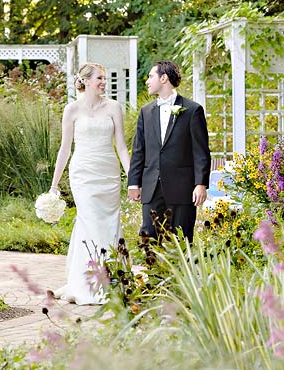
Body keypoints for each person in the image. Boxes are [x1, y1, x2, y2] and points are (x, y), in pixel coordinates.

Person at [48, 62, 131, 305]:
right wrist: (54, 185)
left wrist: (131, 177)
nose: (104, 82)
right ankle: (87, 283)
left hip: (108, 174)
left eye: (105, 78)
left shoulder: (114, 108)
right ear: (85, 81)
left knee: (109, 223)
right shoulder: (71, 110)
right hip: (83, 174)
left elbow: (122, 147)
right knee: (89, 221)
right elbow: (65, 149)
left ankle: (112, 280)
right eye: (99, 78)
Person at [127, 60, 211, 243]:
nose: (147, 81)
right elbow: (139, 150)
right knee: (148, 237)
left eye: (151, 76)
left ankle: (180, 272)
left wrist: (201, 184)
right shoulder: (145, 112)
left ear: (164, 78)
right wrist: (133, 183)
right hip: (151, 187)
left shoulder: (192, 110)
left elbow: (201, 152)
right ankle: (153, 272)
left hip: (182, 188)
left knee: (182, 240)